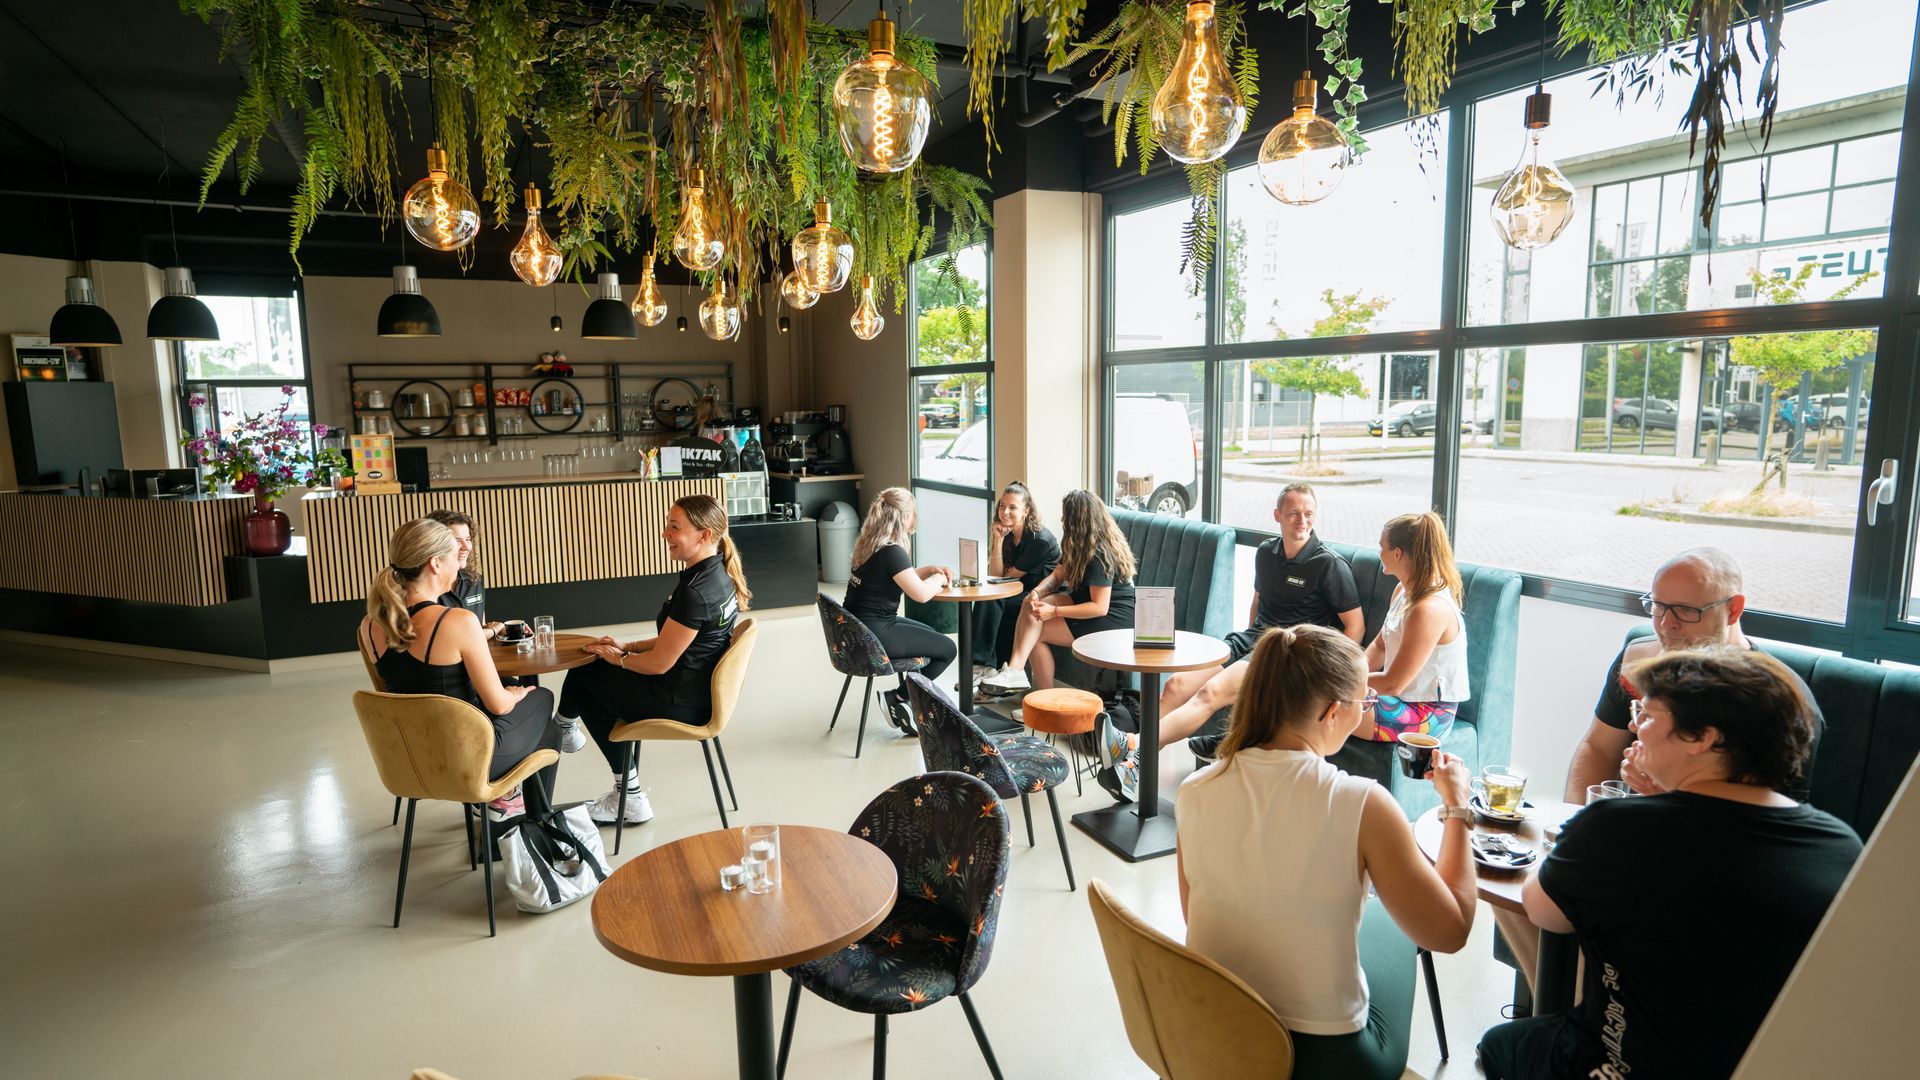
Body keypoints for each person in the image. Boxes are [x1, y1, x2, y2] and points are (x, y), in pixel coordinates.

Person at [1477, 648, 1861, 1080]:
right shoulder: (1842, 844)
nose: (1633, 725)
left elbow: (1542, 909)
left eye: (1647, 713)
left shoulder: (1617, 827)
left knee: (1503, 1045)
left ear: (1704, 738)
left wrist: (1638, 811)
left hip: (1624, 1066)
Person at [1496, 546, 1827, 983]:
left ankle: (1591, 1016)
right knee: (1507, 880)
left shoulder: (1770, 706)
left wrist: (1665, 798)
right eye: (1658, 607)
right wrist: (1577, 827)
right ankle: (1578, 1012)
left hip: (1705, 871)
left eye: (1686, 611)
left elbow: (1756, 835)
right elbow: (1597, 746)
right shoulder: (1641, 661)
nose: (1667, 624)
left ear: (1734, 609)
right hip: (1628, 841)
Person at [1177, 625, 1477, 1080]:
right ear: (1333, 712)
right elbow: (1450, 931)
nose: (1365, 711)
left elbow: (1194, 913)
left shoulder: (1194, 789)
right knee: (1394, 924)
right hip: (1326, 1061)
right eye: (1364, 703)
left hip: (1218, 1034)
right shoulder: (1362, 803)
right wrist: (1456, 808)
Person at [1101, 482, 1364, 801]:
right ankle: (1134, 756)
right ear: (1277, 515)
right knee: (1176, 685)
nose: (1302, 521)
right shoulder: (1267, 552)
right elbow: (1258, 601)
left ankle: (1133, 751)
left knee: (1210, 693)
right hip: (1252, 639)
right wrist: (1249, 634)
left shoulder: (1329, 565)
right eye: (1294, 513)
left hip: (1287, 655)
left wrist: (1324, 673)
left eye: (1308, 514)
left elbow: (1355, 627)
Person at [556, 494, 751, 826]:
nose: (664, 534)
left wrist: (618, 659)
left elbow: (659, 663)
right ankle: (567, 729)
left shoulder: (696, 592)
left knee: (587, 670)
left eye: (674, 527)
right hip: (696, 690)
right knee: (595, 666)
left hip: (679, 702)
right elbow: (678, 640)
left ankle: (567, 733)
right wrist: (627, 645)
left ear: (704, 535)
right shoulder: (716, 574)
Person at [358, 518, 563, 820]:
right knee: (542, 702)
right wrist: (516, 694)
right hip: (466, 758)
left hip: (411, 757)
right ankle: (524, 822)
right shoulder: (456, 621)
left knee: (525, 714)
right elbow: (499, 704)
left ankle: (511, 809)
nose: (459, 566)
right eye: (455, 556)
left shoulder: (370, 625)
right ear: (435, 564)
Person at [981, 489, 1137, 694]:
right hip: (1084, 601)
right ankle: (1016, 672)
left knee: (1035, 633)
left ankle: (1041, 696)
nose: (1062, 519)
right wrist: (1037, 593)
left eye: (1066, 515)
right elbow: (1057, 577)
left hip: (1114, 617)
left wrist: (1054, 612)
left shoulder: (1099, 554)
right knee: (1030, 605)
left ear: (1078, 520)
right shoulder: (1077, 544)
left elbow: (1099, 607)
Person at [840, 487, 958, 733]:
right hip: (875, 634)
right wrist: (938, 579)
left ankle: (909, 703)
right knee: (947, 649)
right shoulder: (893, 551)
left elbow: (896, 577)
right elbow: (921, 594)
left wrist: (927, 570)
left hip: (859, 628)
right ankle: (900, 697)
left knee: (930, 635)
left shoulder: (871, 543)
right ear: (905, 517)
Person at [1353, 511, 1468, 745]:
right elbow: (1380, 645)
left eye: (1381, 547)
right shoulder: (1402, 591)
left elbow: (1395, 683)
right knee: (1311, 698)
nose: (1379, 553)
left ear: (1397, 553)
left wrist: (1341, 681)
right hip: (1399, 698)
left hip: (1427, 714)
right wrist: (1352, 672)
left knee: (1319, 702)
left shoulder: (1428, 609)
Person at [969, 480, 1060, 682]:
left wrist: (1001, 574)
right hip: (1018, 588)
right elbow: (996, 575)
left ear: (1026, 511)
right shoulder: (1007, 533)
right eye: (1002, 505)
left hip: (1043, 593)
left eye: (1012, 507)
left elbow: (1006, 577)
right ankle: (984, 668)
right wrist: (999, 540)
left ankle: (982, 666)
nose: (1005, 511)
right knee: (990, 597)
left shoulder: (1039, 540)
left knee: (995, 600)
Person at [424, 509, 504, 640]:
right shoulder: (424, 586)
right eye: (457, 540)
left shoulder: (474, 579)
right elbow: (449, 640)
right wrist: (494, 630)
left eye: (468, 539)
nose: (467, 546)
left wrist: (503, 630)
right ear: (434, 544)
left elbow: (480, 627)